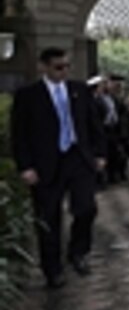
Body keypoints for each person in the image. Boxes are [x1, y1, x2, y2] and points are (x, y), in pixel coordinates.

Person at [10, 47, 106, 289]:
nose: (64, 71)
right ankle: (52, 270)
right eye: (58, 67)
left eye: (66, 66)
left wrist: (99, 153)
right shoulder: (28, 95)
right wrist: (26, 167)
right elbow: (19, 135)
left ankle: (78, 252)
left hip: (78, 158)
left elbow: (93, 124)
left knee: (86, 209)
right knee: (48, 218)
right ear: (44, 67)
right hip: (46, 164)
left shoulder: (79, 90)